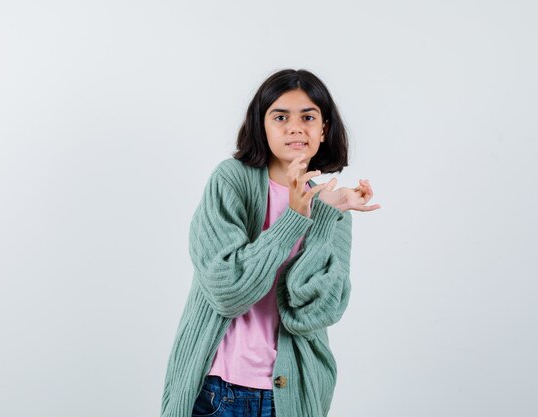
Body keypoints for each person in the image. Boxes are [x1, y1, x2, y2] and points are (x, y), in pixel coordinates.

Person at [160, 69, 381, 417]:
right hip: (217, 390)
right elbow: (227, 292)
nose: (296, 127)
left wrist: (321, 220)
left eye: (308, 117)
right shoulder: (230, 181)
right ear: (261, 126)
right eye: (281, 116)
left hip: (292, 396)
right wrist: (294, 217)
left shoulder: (333, 206)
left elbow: (313, 314)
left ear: (324, 129)